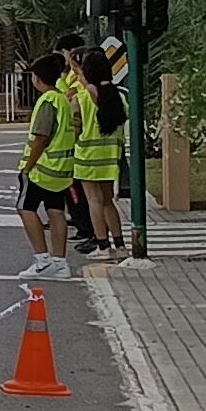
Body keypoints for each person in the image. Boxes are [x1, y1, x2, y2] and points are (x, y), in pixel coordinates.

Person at [18, 49, 79, 278]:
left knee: (26, 209)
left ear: (37, 78)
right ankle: (60, 262)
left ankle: (42, 259)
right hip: (62, 170)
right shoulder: (62, 99)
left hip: (41, 170)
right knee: (56, 212)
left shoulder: (47, 101)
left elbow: (41, 137)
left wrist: (27, 167)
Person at [74, 40, 127, 255]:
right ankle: (120, 245)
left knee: (93, 201)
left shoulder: (82, 98)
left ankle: (103, 245)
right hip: (111, 157)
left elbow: (75, 127)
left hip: (88, 157)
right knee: (108, 201)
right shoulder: (120, 97)